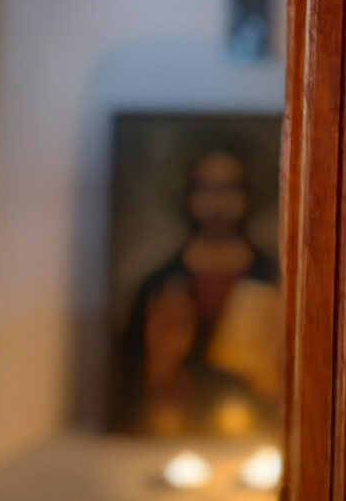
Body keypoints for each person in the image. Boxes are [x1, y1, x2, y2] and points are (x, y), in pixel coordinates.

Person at [120, 146, 281, 435]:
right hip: (180, 427)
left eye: (230, 189)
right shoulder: (160, 283)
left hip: (258, 429)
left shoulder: (274, 277)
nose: (218, 202)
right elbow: (133, 376)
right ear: (188, 196)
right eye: (205, 189)